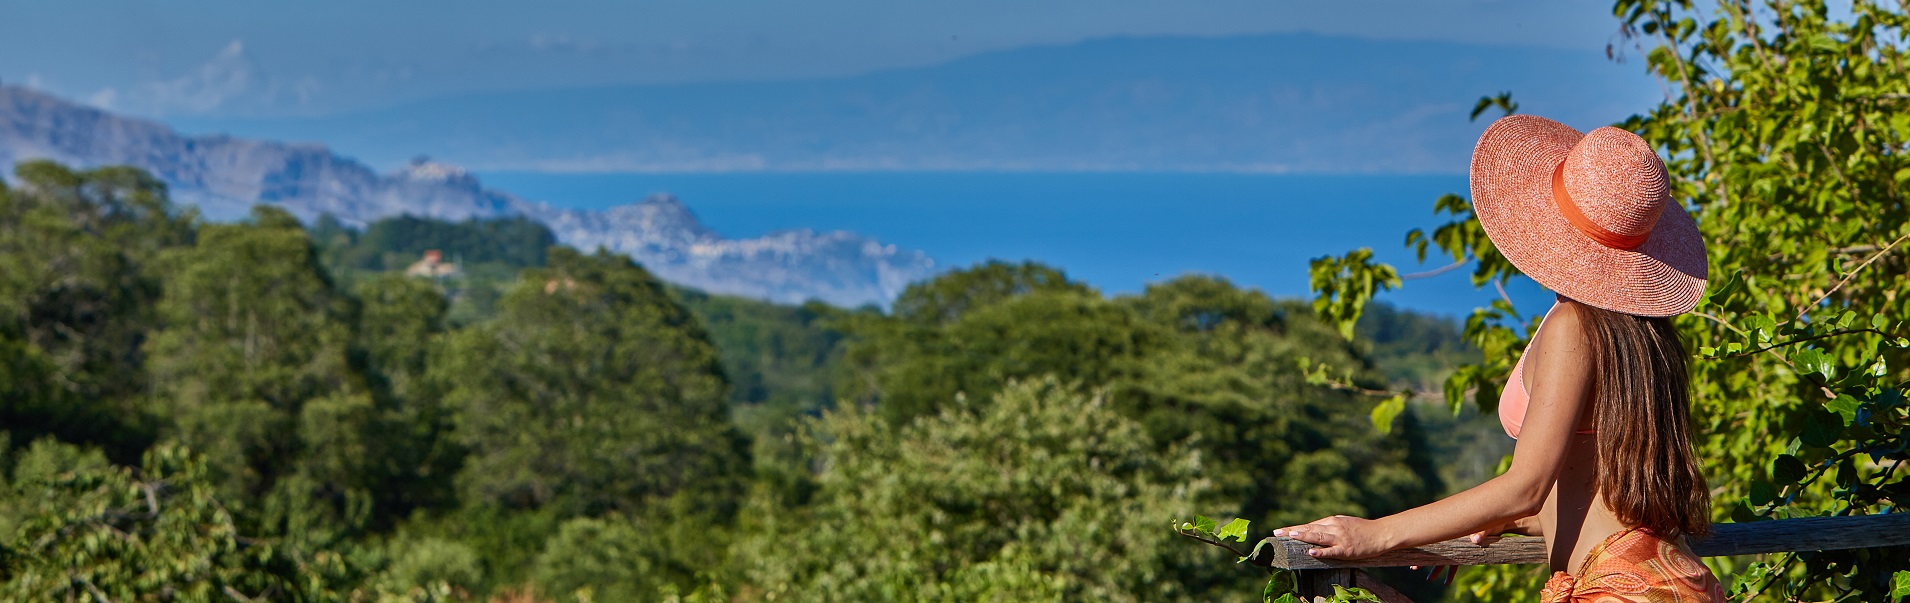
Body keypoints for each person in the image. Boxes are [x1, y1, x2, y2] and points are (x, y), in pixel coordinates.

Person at [1272, 115, 1724, 602]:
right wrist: (1502, 521)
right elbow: (1600, 492)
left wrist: (1376, 534)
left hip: (1617, 586)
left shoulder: (1574, 325)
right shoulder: (1646, 335)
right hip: (1669, 576)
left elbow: (1526, 485)